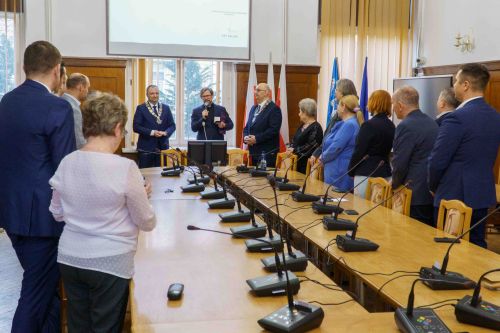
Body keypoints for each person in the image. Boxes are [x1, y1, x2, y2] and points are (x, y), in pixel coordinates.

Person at [49, 93, 156, 332]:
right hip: (110, 262)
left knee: (78, 325)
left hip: (70, 258)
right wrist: (142, 197)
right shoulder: (125, 167)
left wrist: (83, 211)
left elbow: (56, 212)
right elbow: (146, 221)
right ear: (118, 128)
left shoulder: (67, 161)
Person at [0, 40, 76, 333]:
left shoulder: (6, 101)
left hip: (11, 214)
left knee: (47, 292)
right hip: (44, 220)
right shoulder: (57, 107)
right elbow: (65, 169)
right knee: (35, 293)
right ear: (57, 70)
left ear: (24, 67)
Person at [428, 63, 500, 248]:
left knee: (448, 249)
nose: (454, 87)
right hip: (481, 194)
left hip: (454, 195)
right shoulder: (495, 116)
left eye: (457, 82)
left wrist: (433, 186)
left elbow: (438, 160)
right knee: (476, 249)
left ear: (466, 85)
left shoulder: (456, 117)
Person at [391, 86, 438, 226]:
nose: (393, 108)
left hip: (412, 195)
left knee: (409, 238)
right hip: (429, 193)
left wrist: (393, 184)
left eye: (393, 104)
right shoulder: (432, 123)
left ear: (400, 106)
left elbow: (400, 162)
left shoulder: (405, 126)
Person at [348, 90, 395, 198]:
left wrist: (351, 171)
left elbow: (359, 151)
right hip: (385, 174)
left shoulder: (368, 125)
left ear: (374, 103)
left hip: (365, 174)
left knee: (361, 210)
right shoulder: (391, 126)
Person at [309, 78, 358, 166]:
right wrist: (318, 152)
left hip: (337, 165)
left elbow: (336, 145)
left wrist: (322, 157)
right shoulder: (340, 114)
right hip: (329, 161)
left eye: (336, 90)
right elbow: (328, 136)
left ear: (343, 93)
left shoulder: (348, 118)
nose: (334, 92)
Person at [320, 95, 361, 192]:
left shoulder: (349, 125)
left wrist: (323, 157)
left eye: (338, 105)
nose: (337, 108)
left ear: (344, 107)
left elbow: (336, 148)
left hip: (339, 173)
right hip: (337, 171)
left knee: (336, 203)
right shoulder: (348, 123)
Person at [133, 84, 176, 168]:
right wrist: (152, 132)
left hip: (163, 148)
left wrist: (166, 132)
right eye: (152, 93)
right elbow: (136, 127)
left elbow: (172, 126)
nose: (155, 95)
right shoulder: (141, 108)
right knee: (145, 175)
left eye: (157, 93)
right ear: (147, 95)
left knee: (162, 176)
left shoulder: (166, 108)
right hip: (146, 149)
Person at [243, 83, 282, 167]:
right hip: (254, 153)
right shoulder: (254, 108)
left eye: (258, 90)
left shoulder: (274, 109)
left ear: (267, 93)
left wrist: (256, 139)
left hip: (266, 154)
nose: (255, 92)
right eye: (255, 90)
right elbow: (247, 127)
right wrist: (246, 137)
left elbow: (273, 130)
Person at [288, 98, 323, 173]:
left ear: (305, 112)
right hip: (295, 163)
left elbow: (311, 147)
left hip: (307, 167)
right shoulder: (302, 125)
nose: (299, 114)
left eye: (300, 111)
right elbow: (295, 139)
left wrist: (294, 150)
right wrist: (290, 147)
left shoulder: (316, 127)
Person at [62, 73, 90, 148]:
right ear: (80, 87)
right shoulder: (73, 108)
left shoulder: (60, 101)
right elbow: (78, 141)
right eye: (87, 87)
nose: (87, 91)